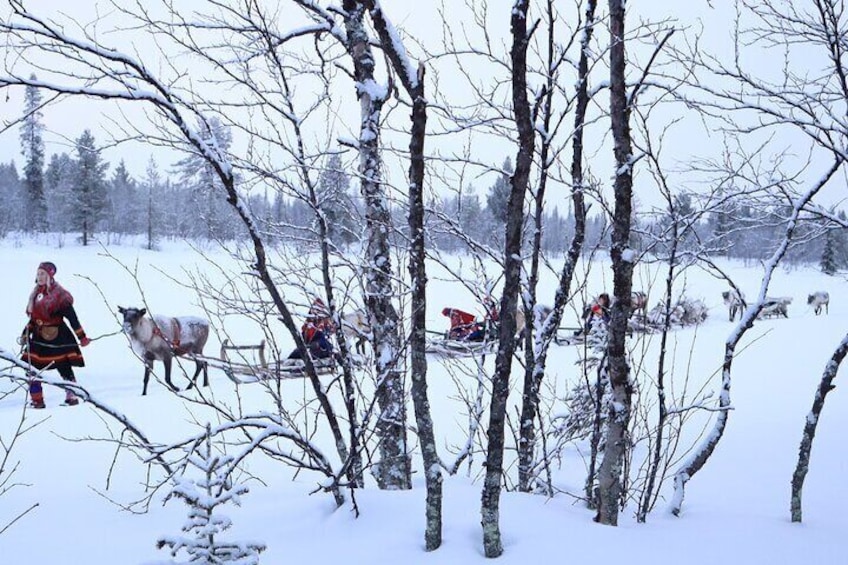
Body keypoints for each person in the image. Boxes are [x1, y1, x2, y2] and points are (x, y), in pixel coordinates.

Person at [18, 261, 90, 408]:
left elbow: (72, 317)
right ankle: (37, 401)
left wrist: (81, 337)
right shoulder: (35, 294)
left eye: (43, 274)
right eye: (38, 273)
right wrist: (26, 333)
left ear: (50, 276)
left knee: (63, 367)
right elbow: (34, 319)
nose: (39, 276)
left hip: (58, 337)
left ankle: (72, 396)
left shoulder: (60, 295)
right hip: (39, 338)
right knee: (31, 369)